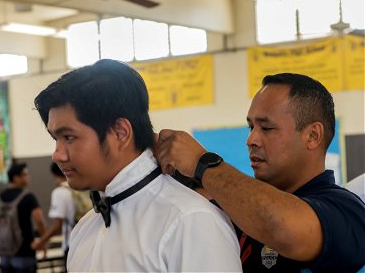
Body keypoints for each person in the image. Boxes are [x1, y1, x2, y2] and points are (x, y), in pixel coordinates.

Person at [33, 59, 243, 272]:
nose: (57, 155)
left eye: (68, 137)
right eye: (55, 139)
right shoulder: (84, 230)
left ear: (120, 133)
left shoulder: (191, 221)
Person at [155, 73, 365, 272]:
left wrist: (203, 164)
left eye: (266, 128)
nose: (251, 140)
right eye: (250, 127)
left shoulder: (346, 211)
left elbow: (281, 227)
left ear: (312, 135)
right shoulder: (235, 210)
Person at [0, 162, 47, 273]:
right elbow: (39, 220)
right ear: (16, 177)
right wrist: (43, 242)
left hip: (4, 253)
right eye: (25, 174)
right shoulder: (28, 196)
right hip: (25, 253)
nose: (28, 177)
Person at [31, 162, 75, 271]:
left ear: (54, 174)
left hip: (71, 244)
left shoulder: (60, 192)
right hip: (88, 240)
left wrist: (40, 243)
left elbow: (57, 226)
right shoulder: (81, 188)